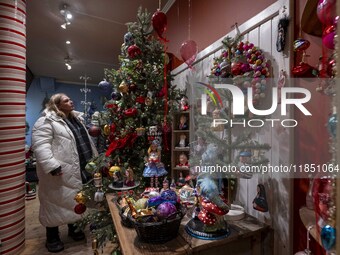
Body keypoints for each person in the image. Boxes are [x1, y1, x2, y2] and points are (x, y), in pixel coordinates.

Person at [31, 93, 98, 253]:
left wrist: (95, 160)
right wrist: (51, 165)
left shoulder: (77, 119)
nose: (71, 101)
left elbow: (85, 141)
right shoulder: (46, 121)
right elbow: (40, 145)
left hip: (80, 167)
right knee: (54, 203)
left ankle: (74, 228)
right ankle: (52, 237)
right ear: (57, 105)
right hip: (59, 170)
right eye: (66, 100)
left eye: (70, 98)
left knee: (75, 199)